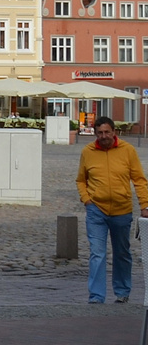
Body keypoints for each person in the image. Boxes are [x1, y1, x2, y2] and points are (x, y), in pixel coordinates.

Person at [76, 116, 148, 303]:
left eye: (107, 132)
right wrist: (86, 200)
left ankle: (122, 291)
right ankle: (96, 296)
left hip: (121, 210)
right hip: (96, 210)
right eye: (100, 133)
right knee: (97, 253)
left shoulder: (127, 150)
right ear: (95, 133)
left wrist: (145, 205)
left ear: (114, 132)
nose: (104, 136)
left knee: (122, 252)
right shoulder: (88, 152)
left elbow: (139, 180)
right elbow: (81, 180)